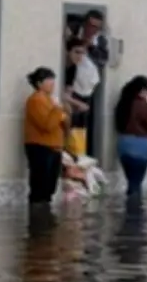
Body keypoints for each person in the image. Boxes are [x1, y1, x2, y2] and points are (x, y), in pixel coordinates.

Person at [24, 67, 68, 208]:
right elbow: (47, 125)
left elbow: (64, 121)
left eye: (53, 80)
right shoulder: (36, 100)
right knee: (40, 185)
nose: (52, 84)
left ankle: (45, 214)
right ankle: (37, 218)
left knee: (50, 185)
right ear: (39, 83)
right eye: (49, 81)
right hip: (40, 147)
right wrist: (57, 110)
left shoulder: (50, 100)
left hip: (54, 147)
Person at [115, 76, 147, 201]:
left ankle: (131, 209)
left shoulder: (123, 103)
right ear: (142, 90)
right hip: (140, 147)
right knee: (136, 183)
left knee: (131, 180)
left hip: (123, 146)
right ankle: (134, 212)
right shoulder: (142, 105)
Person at [63, 38, 99, 157]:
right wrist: (79, 104)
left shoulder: (74, 68)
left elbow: (67, 94)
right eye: (77, 52)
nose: (80, 56)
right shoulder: (66, 66)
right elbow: (62, 94)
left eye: (82, 53)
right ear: (68, 51)